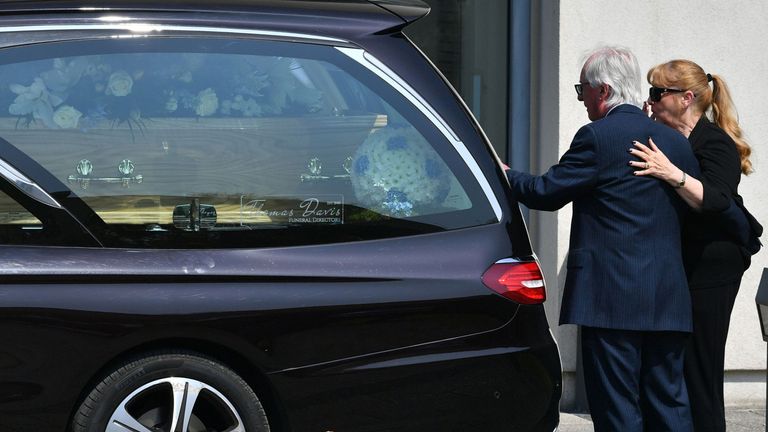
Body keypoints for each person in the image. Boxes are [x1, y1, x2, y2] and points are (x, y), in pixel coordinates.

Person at [505, 46, 699, 432]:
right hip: (668, 295)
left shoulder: (598, 136)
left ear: (604, 90)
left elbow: (547, 192)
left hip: (612, 297)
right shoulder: (676, 142)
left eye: (583, 91)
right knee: (670, 403)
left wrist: (503, 173)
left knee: (617, 406)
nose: (582, 100)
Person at [628, 59, 754, 432]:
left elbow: (715, 199)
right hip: (684, 262)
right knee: (675, 366)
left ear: (685, 98)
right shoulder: (669, 138)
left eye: (657, 93)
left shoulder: (715, 142)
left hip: (713, 266)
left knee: (700, 366)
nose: (650, 101)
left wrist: (672, 173)